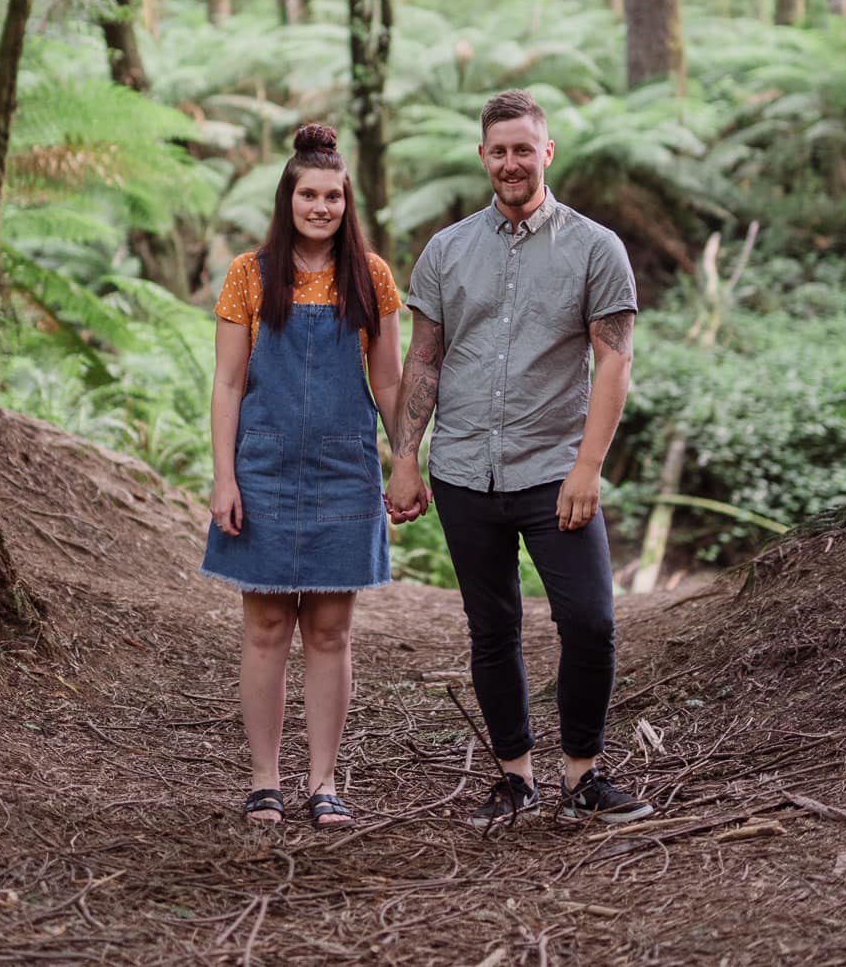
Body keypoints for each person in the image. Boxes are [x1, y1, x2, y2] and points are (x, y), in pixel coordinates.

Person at [386, 89, 654, 827]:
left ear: (546, 152)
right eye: (497, 150)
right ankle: (513, 778)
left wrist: (587, 467)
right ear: (482, 157)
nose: (510, 162)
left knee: (591, 622)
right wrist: (404, 457)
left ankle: (583, 773)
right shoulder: (445, 250)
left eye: (522, 148)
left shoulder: (595, 248)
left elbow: (613, 364)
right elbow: (426, 361)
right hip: (465, 468)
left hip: (553, 472)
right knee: (492, 627)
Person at [201, 124, 402, 828]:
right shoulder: (248, 276)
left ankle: (322, 782)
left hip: (346, 471)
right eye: (308, 194)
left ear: (348, 203)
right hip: (263, 471)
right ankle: (264, 780)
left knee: (329, 631)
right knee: (263, 627)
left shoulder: (370, 277)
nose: (321, 207)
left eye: (333, 197)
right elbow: (227, 385)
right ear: (287, 198)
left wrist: (403, 461)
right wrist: (224, 478)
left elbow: (389, 383)